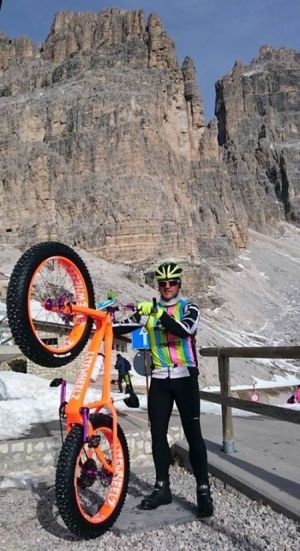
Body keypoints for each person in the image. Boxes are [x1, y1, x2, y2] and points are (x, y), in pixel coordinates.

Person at [135, 262, 213, 517]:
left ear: (179, 284)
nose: (167, 287)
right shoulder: (151, 310)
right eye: (162, 283)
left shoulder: (188, 307)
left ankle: (203, 491)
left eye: (171, 283)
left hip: (184, 376)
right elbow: (128, 328)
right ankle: (162, 488)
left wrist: (158, 314)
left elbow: (184, 330)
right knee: (157, 434)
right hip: (159, 378)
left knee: (193, 434)